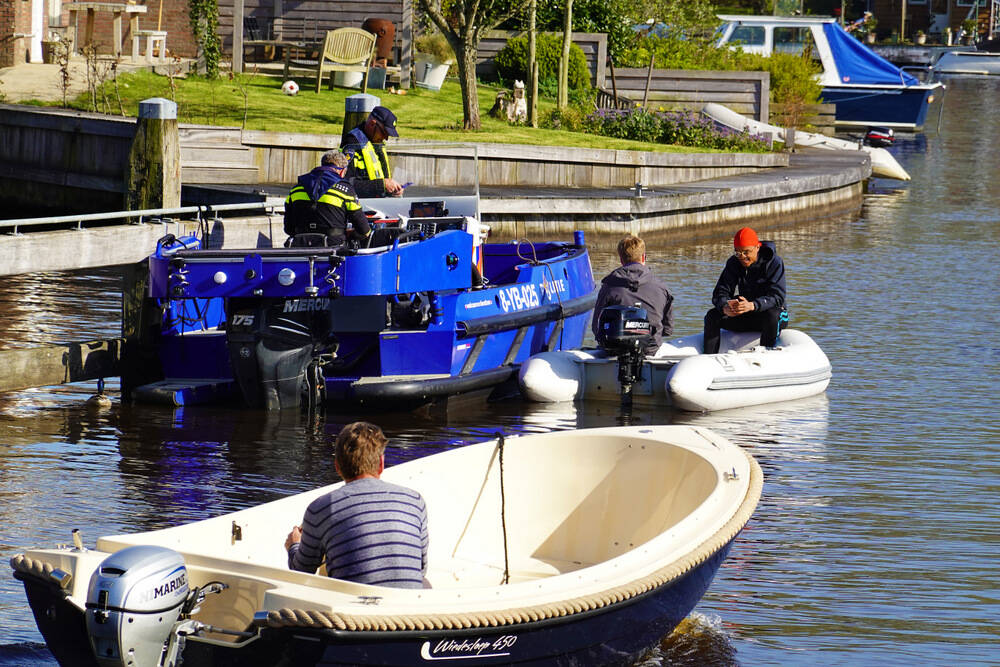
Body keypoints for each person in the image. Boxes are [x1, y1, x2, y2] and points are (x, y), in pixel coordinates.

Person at [285, 421, 429, 588]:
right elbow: (421, 568)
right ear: (381, 464)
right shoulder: (415, 500)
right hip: (406, 608)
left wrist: (294, 545)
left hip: (350, 611)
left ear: (337, 467)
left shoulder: (320, 508)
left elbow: (301, 573)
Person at [703, 226, 786, 354]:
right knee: (712, 316)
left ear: (757, 247)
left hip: (768, 315)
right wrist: (725, 306)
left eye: (746, 252)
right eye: (738, 252)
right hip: (744, 314)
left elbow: (777, 297)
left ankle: (766, 354)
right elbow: (720, 292)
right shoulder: (734, 262)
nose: (742, 257)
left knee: (773, 315)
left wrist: (753, 305)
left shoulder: (774, 262)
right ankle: (709, 357)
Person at [592, 235, 674, 355]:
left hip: (615, 351)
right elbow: (668, 329)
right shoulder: (661, 287)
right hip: (650, 349)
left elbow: (596, 327)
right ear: (643, 257)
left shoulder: (609, 285)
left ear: (621, 259)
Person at [283, 150, 372, 246]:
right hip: (333, 248)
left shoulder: (296, 189)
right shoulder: (345, 191)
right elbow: (364, 230)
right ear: (342, 171)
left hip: (300, 247)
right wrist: (351, 235)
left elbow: (288, 228)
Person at [340, 105, 404, 198]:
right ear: (372, 124)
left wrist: (393, 189)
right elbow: (345, 183)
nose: (386, 138)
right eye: (384, 132)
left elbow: (382, 180)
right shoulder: (352, 144)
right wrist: (382, 185)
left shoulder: (376, 144)